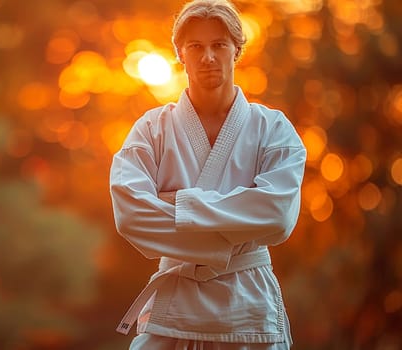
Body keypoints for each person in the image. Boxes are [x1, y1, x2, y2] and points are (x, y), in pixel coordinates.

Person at [109, 0, 307, 349]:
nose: (208, 57)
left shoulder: (273, 129)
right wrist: (238, 228)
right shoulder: (151, 130)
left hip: (248, 307)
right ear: (180, 54)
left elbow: (277, 217)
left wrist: (178, 204)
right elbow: (130, 216)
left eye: (219, 45)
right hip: (175, 306)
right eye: (196, 46)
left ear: (237, 51)